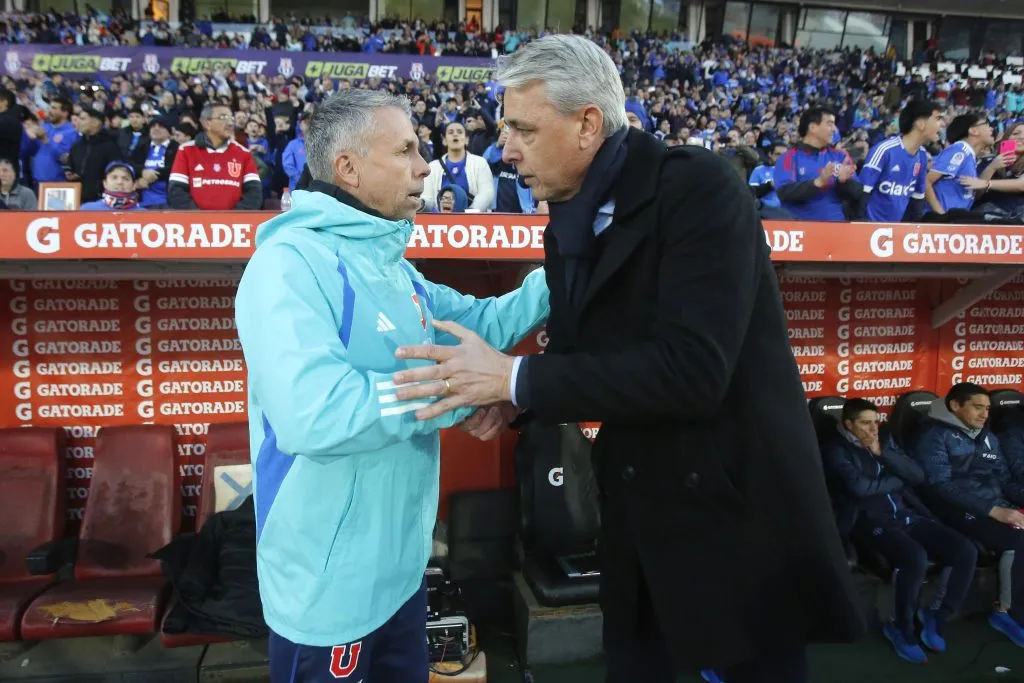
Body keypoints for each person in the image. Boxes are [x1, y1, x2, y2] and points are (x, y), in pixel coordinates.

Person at [389, 34, 865, 682]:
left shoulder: (701, 188)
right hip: (641, 527)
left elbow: (693, 372)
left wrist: (517, 375)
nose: (505, 148)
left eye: (523, 128)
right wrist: (510, 398)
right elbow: (589, 358)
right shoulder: (566, 217)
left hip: (737, 520)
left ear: (587, 123)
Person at [233, 89, 550, 683]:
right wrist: (458, 392)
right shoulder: (289, 264)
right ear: (347, 168)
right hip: (328, 593)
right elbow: (315, 415)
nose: (425, 165)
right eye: (405, 149)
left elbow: (480, 324)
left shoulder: (392, 268)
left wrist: (570, 266)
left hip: (401, 574)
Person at [823, 398, 977, 663]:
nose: (872, 429)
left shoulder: (884, 439)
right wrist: (897, 479)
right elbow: (859, 489)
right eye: (864, 423)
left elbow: (917, 476)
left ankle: (936, 615)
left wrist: (885, 455)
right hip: (867, 520)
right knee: (914, 557)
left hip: (905, 514)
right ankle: (901, 627)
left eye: (875, 422)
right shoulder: (835, 449)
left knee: (965, 550)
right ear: (848, 424)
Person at [912, 383, 1024, 647]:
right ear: (955, 406)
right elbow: (939, 486)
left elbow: (1004, 478)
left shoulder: (986, 436)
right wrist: (993, 510)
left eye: (987, 408)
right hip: (952, 508)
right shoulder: (933, 434)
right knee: (1017, 540)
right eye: (977, 407)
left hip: (992, 504)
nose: (984, 414)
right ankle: (1007, 614)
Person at [168, 103, 263, 210]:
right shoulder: (186, 150)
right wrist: (199, 220)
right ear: (206, 123)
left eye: (231, 118)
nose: (230, 123)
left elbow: (254, 193)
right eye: (223, 117)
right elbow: (176, 191)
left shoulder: (244, 153)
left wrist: (234, 219)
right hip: (195, 225)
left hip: (233, 225)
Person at [859, 100, 943, 222]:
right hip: (870, 231)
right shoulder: (884, 150)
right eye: (938, 118)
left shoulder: (922, 156)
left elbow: (917, 199)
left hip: (895, 232)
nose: (942, 124)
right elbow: (863, 193)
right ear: (920, 124)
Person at [774, 107, 861, 221]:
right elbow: (784, 193)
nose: (834, 129)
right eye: (830, 124)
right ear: (813, 127)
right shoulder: (789, 157)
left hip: (836, 230)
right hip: (800, 231)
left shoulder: (841, 156)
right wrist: (818, 183)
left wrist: (843, 182)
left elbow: (857, 193)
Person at [79, 161, 144, 211]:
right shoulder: (87, 209)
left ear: (134, 185)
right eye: (114, 177)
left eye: (125, 178)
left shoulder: (144, 214)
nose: (119, 182)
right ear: (105, 183)